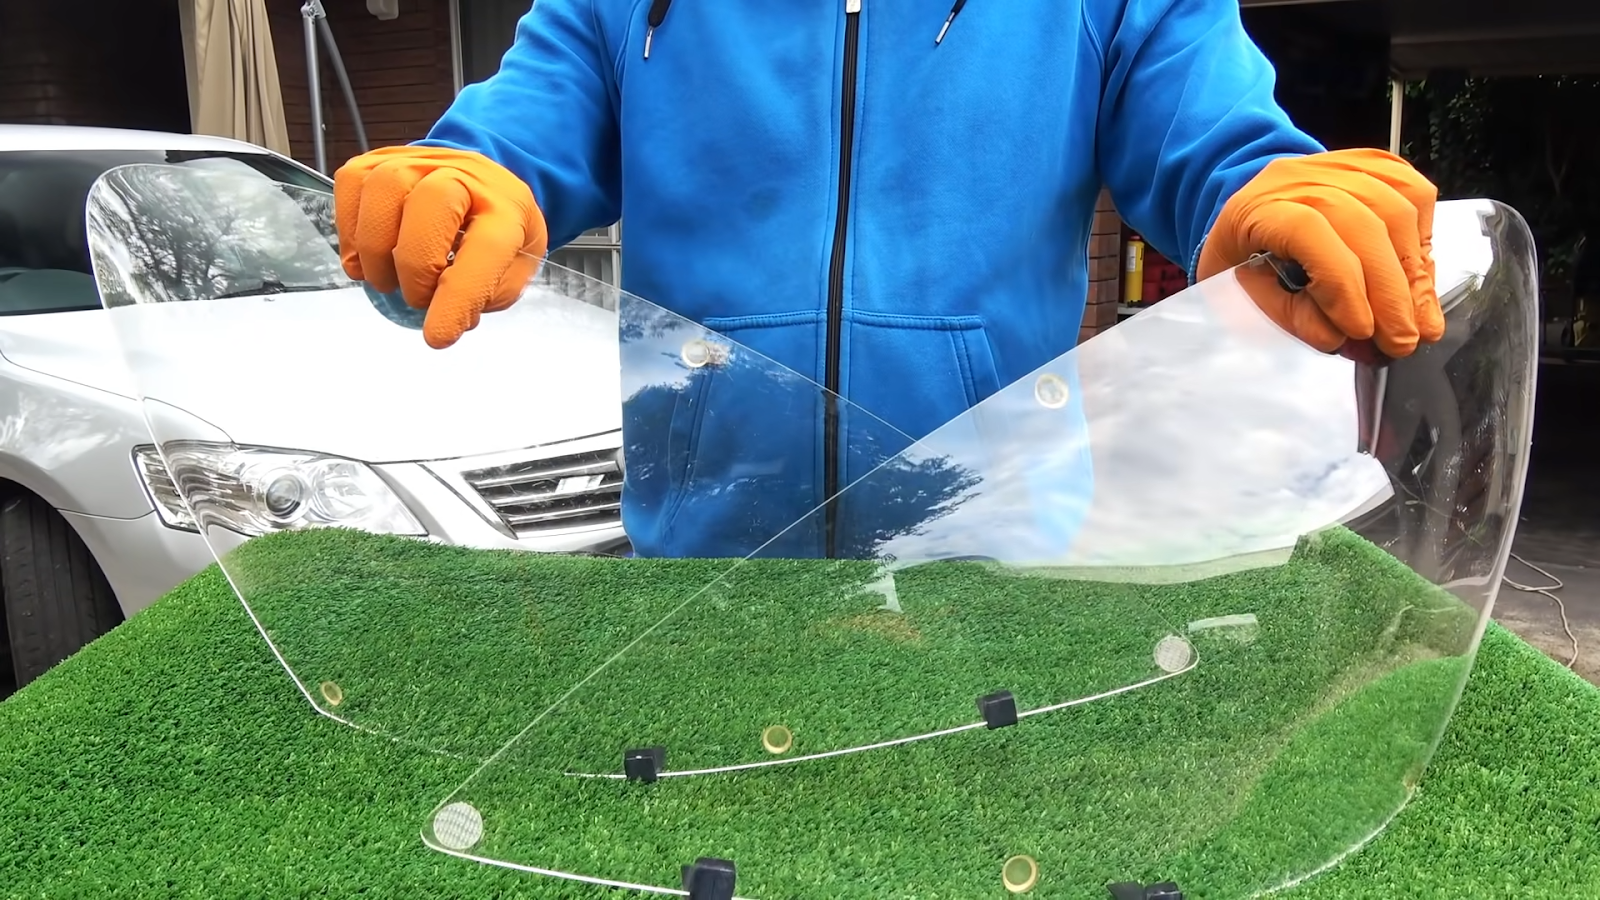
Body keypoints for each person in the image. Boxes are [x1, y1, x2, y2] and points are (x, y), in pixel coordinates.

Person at [332, 0, 1444, 560]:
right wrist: (451, 187)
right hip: (699, 583)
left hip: (1002, 569)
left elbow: (1212, 135)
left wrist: (1270, 188)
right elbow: (511, 144)